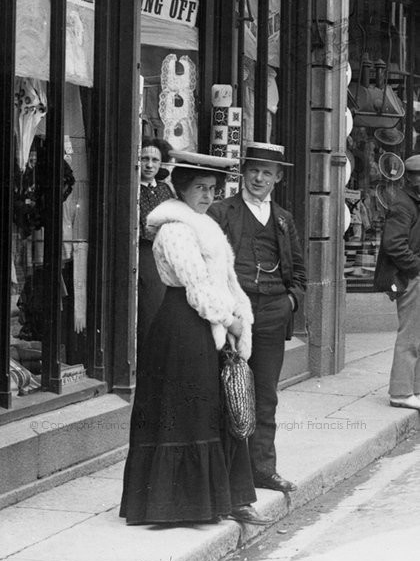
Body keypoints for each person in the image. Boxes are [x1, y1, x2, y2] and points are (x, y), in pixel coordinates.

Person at [120, 151, 270, 525]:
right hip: (182, 327)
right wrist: (229, 321)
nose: (207, 196)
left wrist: (239, 316)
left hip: (206, 324)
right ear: (181, 190)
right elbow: (197, 285)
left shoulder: (205, 226)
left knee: (215, 411)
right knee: (185, 413)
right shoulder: (174, 229)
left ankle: (222, 499)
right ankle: (175, 505)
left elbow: (226, 280)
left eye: (213, 189)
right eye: (199, 188)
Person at [208, 142, 306, 492]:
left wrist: (290, 302)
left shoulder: (282, 219)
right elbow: (209, 264)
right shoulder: (222, 212)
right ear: (243, 173)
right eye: (253, 170)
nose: (259, 177)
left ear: (278, 177)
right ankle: (228, 477)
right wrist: (226, 310)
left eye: (267, 172)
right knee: (230, 391)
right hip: (234, 313)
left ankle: (263, 469)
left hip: (272, 312)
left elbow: (300, 270)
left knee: (265, 395)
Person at [374, 154, 420, 411]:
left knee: (417, 336)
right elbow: (394, 244)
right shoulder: (404, 205)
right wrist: (416, 268)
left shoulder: (410, 202)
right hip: (409, 276)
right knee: (411, 336)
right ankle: (402, 392)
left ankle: (413, 389)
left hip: (411, 274)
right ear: (413, 179)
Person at [138, 137, 174, 348]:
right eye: (144, 159)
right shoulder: (133, 189)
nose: (149, 165)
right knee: (148, 311)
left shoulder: (164, 190)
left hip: (165, 256)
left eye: (155, 160)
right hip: (144, 255)